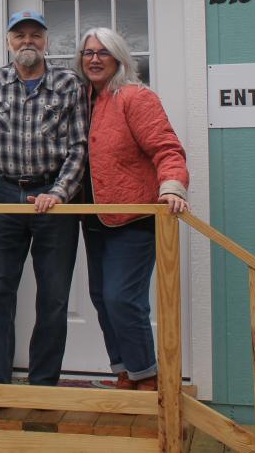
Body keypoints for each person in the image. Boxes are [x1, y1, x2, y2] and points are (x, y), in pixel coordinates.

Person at [0, 9, 88, 394]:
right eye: (19, 35)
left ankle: (43, 387)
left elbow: (78, 148)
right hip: (6, 195)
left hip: (54, 201)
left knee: (55, 295)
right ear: (8, 41)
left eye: (35, 34)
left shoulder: (68, 84)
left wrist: (59, 191)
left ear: (46, 41)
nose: (27, 41)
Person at [75, 26, 189, 392]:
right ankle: (125, 372)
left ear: (119, 58)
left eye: (102, 52)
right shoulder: (84, 102)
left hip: (135, 217)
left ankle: (148, 378)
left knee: (122, 297)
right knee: (100, 298)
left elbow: (167, 149)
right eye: (88, 53)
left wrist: (172, 187)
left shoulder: (136, 97)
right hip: (94, 218)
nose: (94, 59)